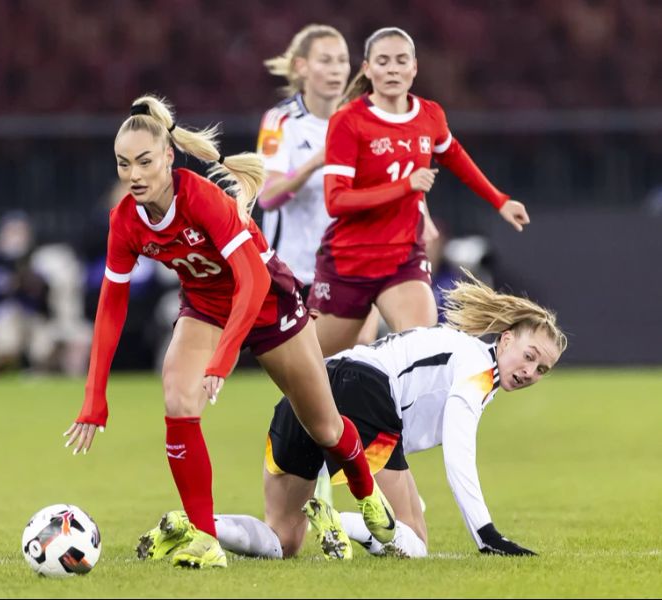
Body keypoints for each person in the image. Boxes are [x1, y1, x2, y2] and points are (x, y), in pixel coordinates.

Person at [63, 94, 395, 570]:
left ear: (168, 157)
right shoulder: (124, 222)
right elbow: (110, 307)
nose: (133, 175)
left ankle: (367, 494)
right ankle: (204, 538)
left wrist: (223, 360)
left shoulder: (201, 197)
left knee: (324, 427)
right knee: (178, 400)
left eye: (144, 161)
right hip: (205, 308)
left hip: (267, 303)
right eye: (122, 164)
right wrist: (95, 396)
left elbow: (253, 279)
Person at [137, 271, 567, 560]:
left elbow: (393, 437)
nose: (530, 372)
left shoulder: (456, 351)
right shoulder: (479, 367)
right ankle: (341, 521)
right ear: (505, 340)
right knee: (413, 540)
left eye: (542, 369)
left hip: (315, 385)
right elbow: (459, 451)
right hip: (366, 393)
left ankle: (194, 525)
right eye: (529, 357)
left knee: (283, 539)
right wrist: (485, 534)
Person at [312, 27, 532, 358]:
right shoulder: (348, 121)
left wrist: (499, 199)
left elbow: (454, 155)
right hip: (349, 261)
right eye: (383, 61)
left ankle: (396, 409)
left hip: (403, 257)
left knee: (421, 353)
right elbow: (336, 201)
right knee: (317, 369)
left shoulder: (429, 114)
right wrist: (406, 186)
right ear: (368, 69)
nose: (393, 69)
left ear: (414, 67)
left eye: (401, 60)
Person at [256, 24, 382, 345]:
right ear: (302, 66)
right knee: (311, 382)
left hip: (347, 271)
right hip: (293, 276)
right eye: (325, 60)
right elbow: (267, 197)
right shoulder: (280, 122)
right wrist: (317, 161)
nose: (337, 69)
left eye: (342, 60)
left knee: (354, 367)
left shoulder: (362, 123)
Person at [0, 211, 54, 372]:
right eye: (12, 232)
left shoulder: (37, 262)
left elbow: (45, 306)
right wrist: (9, 285)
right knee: (8, 322)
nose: (17, 238)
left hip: (31, 323)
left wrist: (31, 284)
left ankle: (35, 369)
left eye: (21, 232)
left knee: (43, 339)